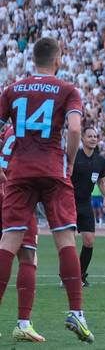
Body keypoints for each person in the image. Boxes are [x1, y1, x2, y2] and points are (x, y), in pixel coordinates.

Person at [0, 37, 94, 342]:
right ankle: (76, 313)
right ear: (58, 59)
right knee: (65, 238)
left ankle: (19, 320)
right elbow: (76, 129)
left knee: (9, 241)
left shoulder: (12, 89)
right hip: (52, 169)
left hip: (19, 171)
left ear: (33, 60)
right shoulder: (67, 90)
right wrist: (68, 161)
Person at [0, 124, 44, 342]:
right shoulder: (30, 131)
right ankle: (24, 323)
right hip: (18, 195)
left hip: (7, 191)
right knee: (27, 255)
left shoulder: (7, 131)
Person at [70, 127, 105, 287]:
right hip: (69, 203)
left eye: (95, 136)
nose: (93, 139)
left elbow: (101, 182)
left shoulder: (100, 160)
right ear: (82, 139)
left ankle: (79, 275)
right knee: (69, 242)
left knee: (89, 241)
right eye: (90, 136)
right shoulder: (74, 156)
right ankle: (66, 276)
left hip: (85, 204)